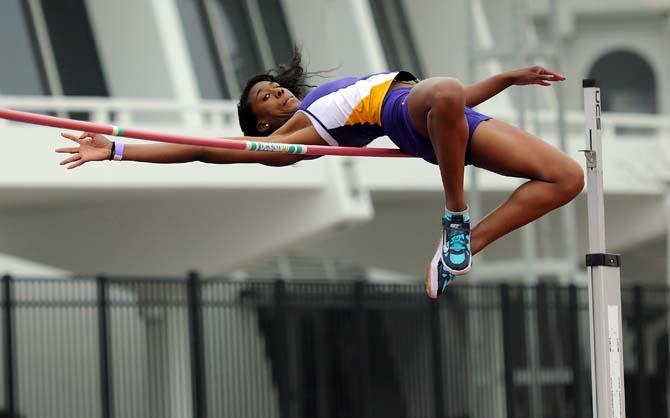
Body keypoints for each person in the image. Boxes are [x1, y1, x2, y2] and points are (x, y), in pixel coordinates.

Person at [55, 50, 583, 299]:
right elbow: (203, 151)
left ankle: (461, 247)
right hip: (408, 111)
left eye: (276, 86)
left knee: (566, 178)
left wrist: (508, 78)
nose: (279, 92)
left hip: (444, 117)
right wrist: (119, 148)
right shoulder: (290, 140)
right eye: (266, 97)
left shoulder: (313, 102)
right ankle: (456, 215)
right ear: (262, 121)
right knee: (442, 89)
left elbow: (456, 102)